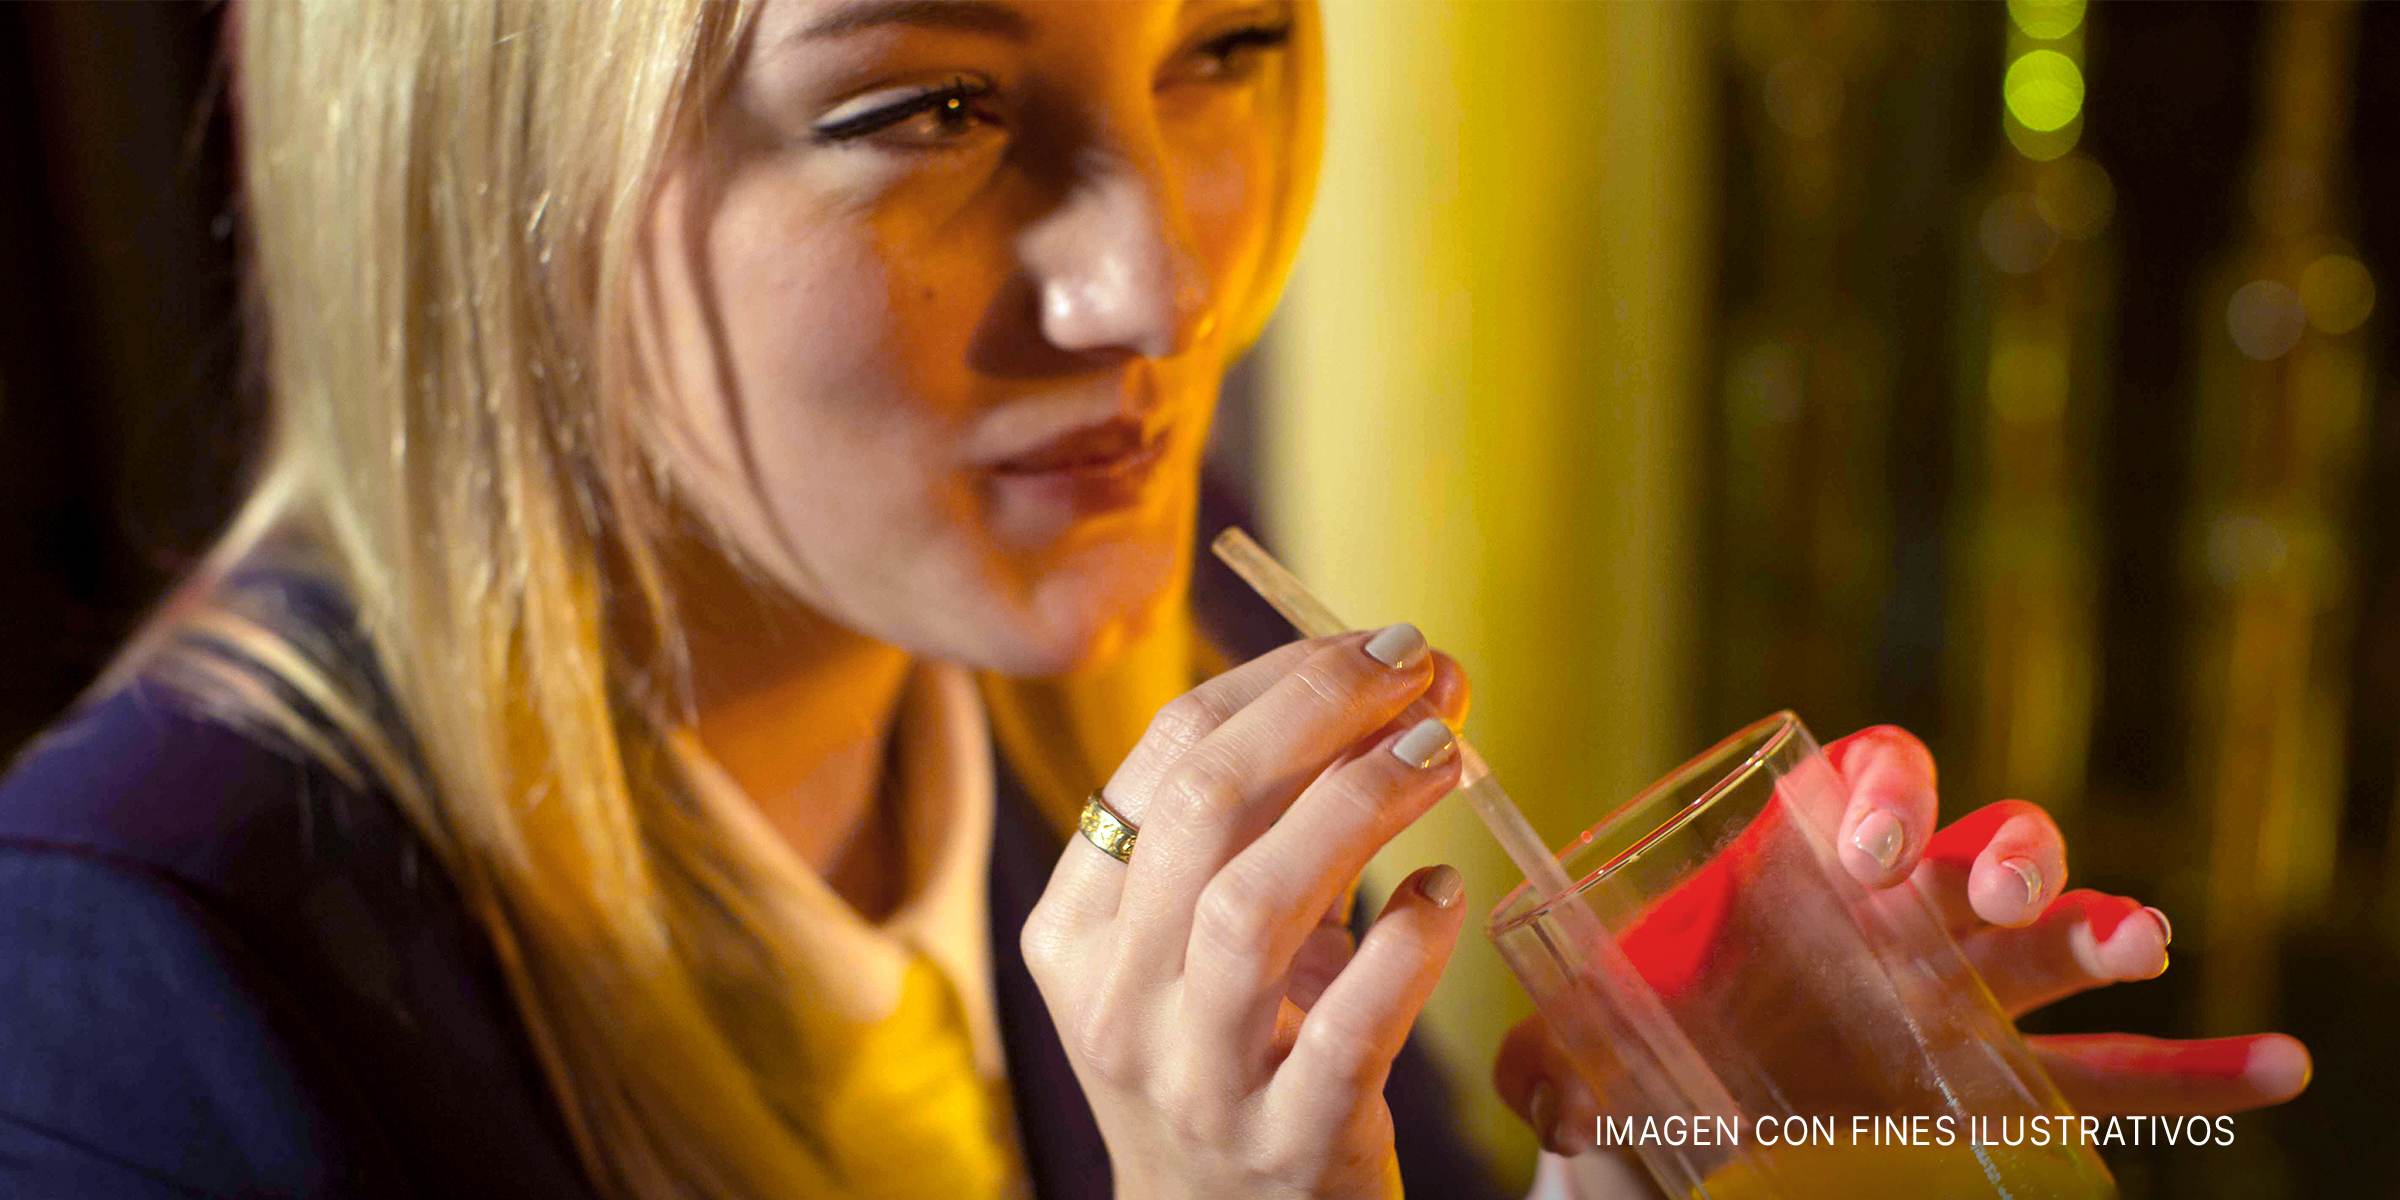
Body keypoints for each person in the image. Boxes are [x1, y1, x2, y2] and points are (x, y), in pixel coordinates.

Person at [0, 2, 2308, 1198]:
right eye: (923, 108)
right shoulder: (110, 1007)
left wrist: (1680, 1161)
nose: (1169, 284)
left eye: (1226, 46)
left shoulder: (1106, 737)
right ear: (474, 146)